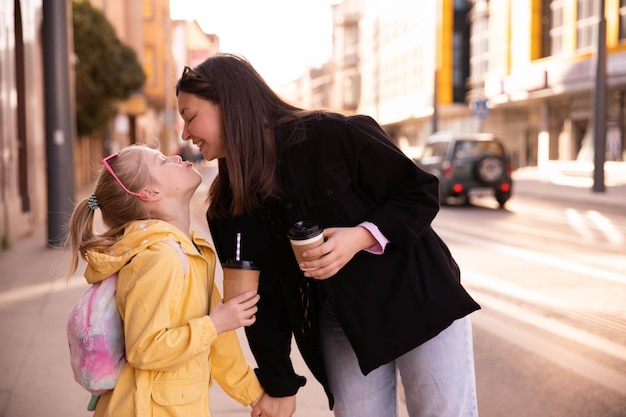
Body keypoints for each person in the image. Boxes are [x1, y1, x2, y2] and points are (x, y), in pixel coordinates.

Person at [175, 53, 481, 417]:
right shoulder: (227, 208)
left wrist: (360, 237)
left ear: (230, 104)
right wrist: (279, 383)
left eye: (190, 117)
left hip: (417, 297)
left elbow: (419, 192)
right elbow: (260, 304)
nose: (185, 133)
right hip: (342, 325)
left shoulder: (332, 134)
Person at [65, 144, 266, 417]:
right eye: (162, 161)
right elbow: (144, 348)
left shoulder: (190, 248)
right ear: (149, 193)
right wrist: (216, 323)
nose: (177, 157)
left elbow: (219, 341)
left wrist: (253, 394)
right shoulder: (161, 257)